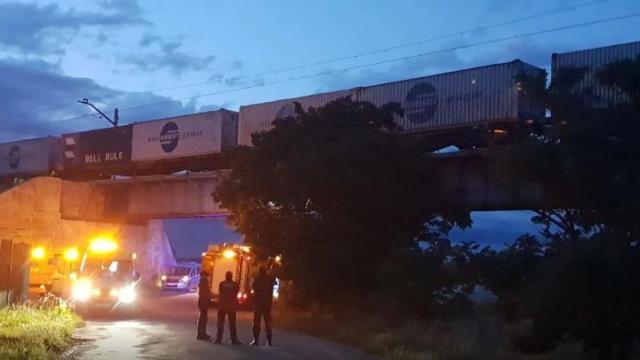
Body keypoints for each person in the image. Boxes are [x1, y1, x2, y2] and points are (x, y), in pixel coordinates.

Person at [251, 266, 276, 346]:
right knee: (268, 323)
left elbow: (254, 289)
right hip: (267, 304)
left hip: (258, 304)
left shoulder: (257, 279)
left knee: (256, 322)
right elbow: (271, 290)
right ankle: (269, 341)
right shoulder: (269, 280)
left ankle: (256, 340)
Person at [215, 271, 242, 345]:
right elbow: (236, 292)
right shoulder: (235, 284)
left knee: (220, 323)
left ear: (225, 276)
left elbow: (220, 293)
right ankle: (233, 339)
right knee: (232, 324)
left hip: (222, 306)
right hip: (231, 307)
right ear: (231, 276)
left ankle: (218, 339)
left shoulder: (222, 284)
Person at [196, 270, 212, 340]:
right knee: (203, 319)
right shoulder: (203, 283)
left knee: (202, 318)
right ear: (204, 276)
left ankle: (202, 333)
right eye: (206, 275)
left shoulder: (202, 282)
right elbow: (205, 294)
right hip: (203, 302)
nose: (208, 277)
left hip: (202, 302)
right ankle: (201, 334)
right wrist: (212, 296)